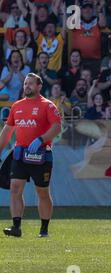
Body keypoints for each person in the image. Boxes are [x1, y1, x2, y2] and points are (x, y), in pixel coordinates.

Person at [0, 73, 62, 237]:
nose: (27, 86)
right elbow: (7, 131)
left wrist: (41, 139)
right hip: (20, 155)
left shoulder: (47, 106)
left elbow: (56, 128)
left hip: (41, 155)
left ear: (39, 86)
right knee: (15, 189)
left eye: (30, 84)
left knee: (42, 192)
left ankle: (44, 229)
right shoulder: (16, 106)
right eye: (25, 83)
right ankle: (16, 227)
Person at [30, 1, 67, 72]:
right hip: (39, 72)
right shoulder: (41, 39)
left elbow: (64, 28)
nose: (50, 28)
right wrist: (33, 14)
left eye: (52, 27)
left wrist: (64, 13)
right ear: (44, 30)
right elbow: (33, 30)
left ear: (55, 29)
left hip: (55, 73)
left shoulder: (59, 40)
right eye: (48, 27)